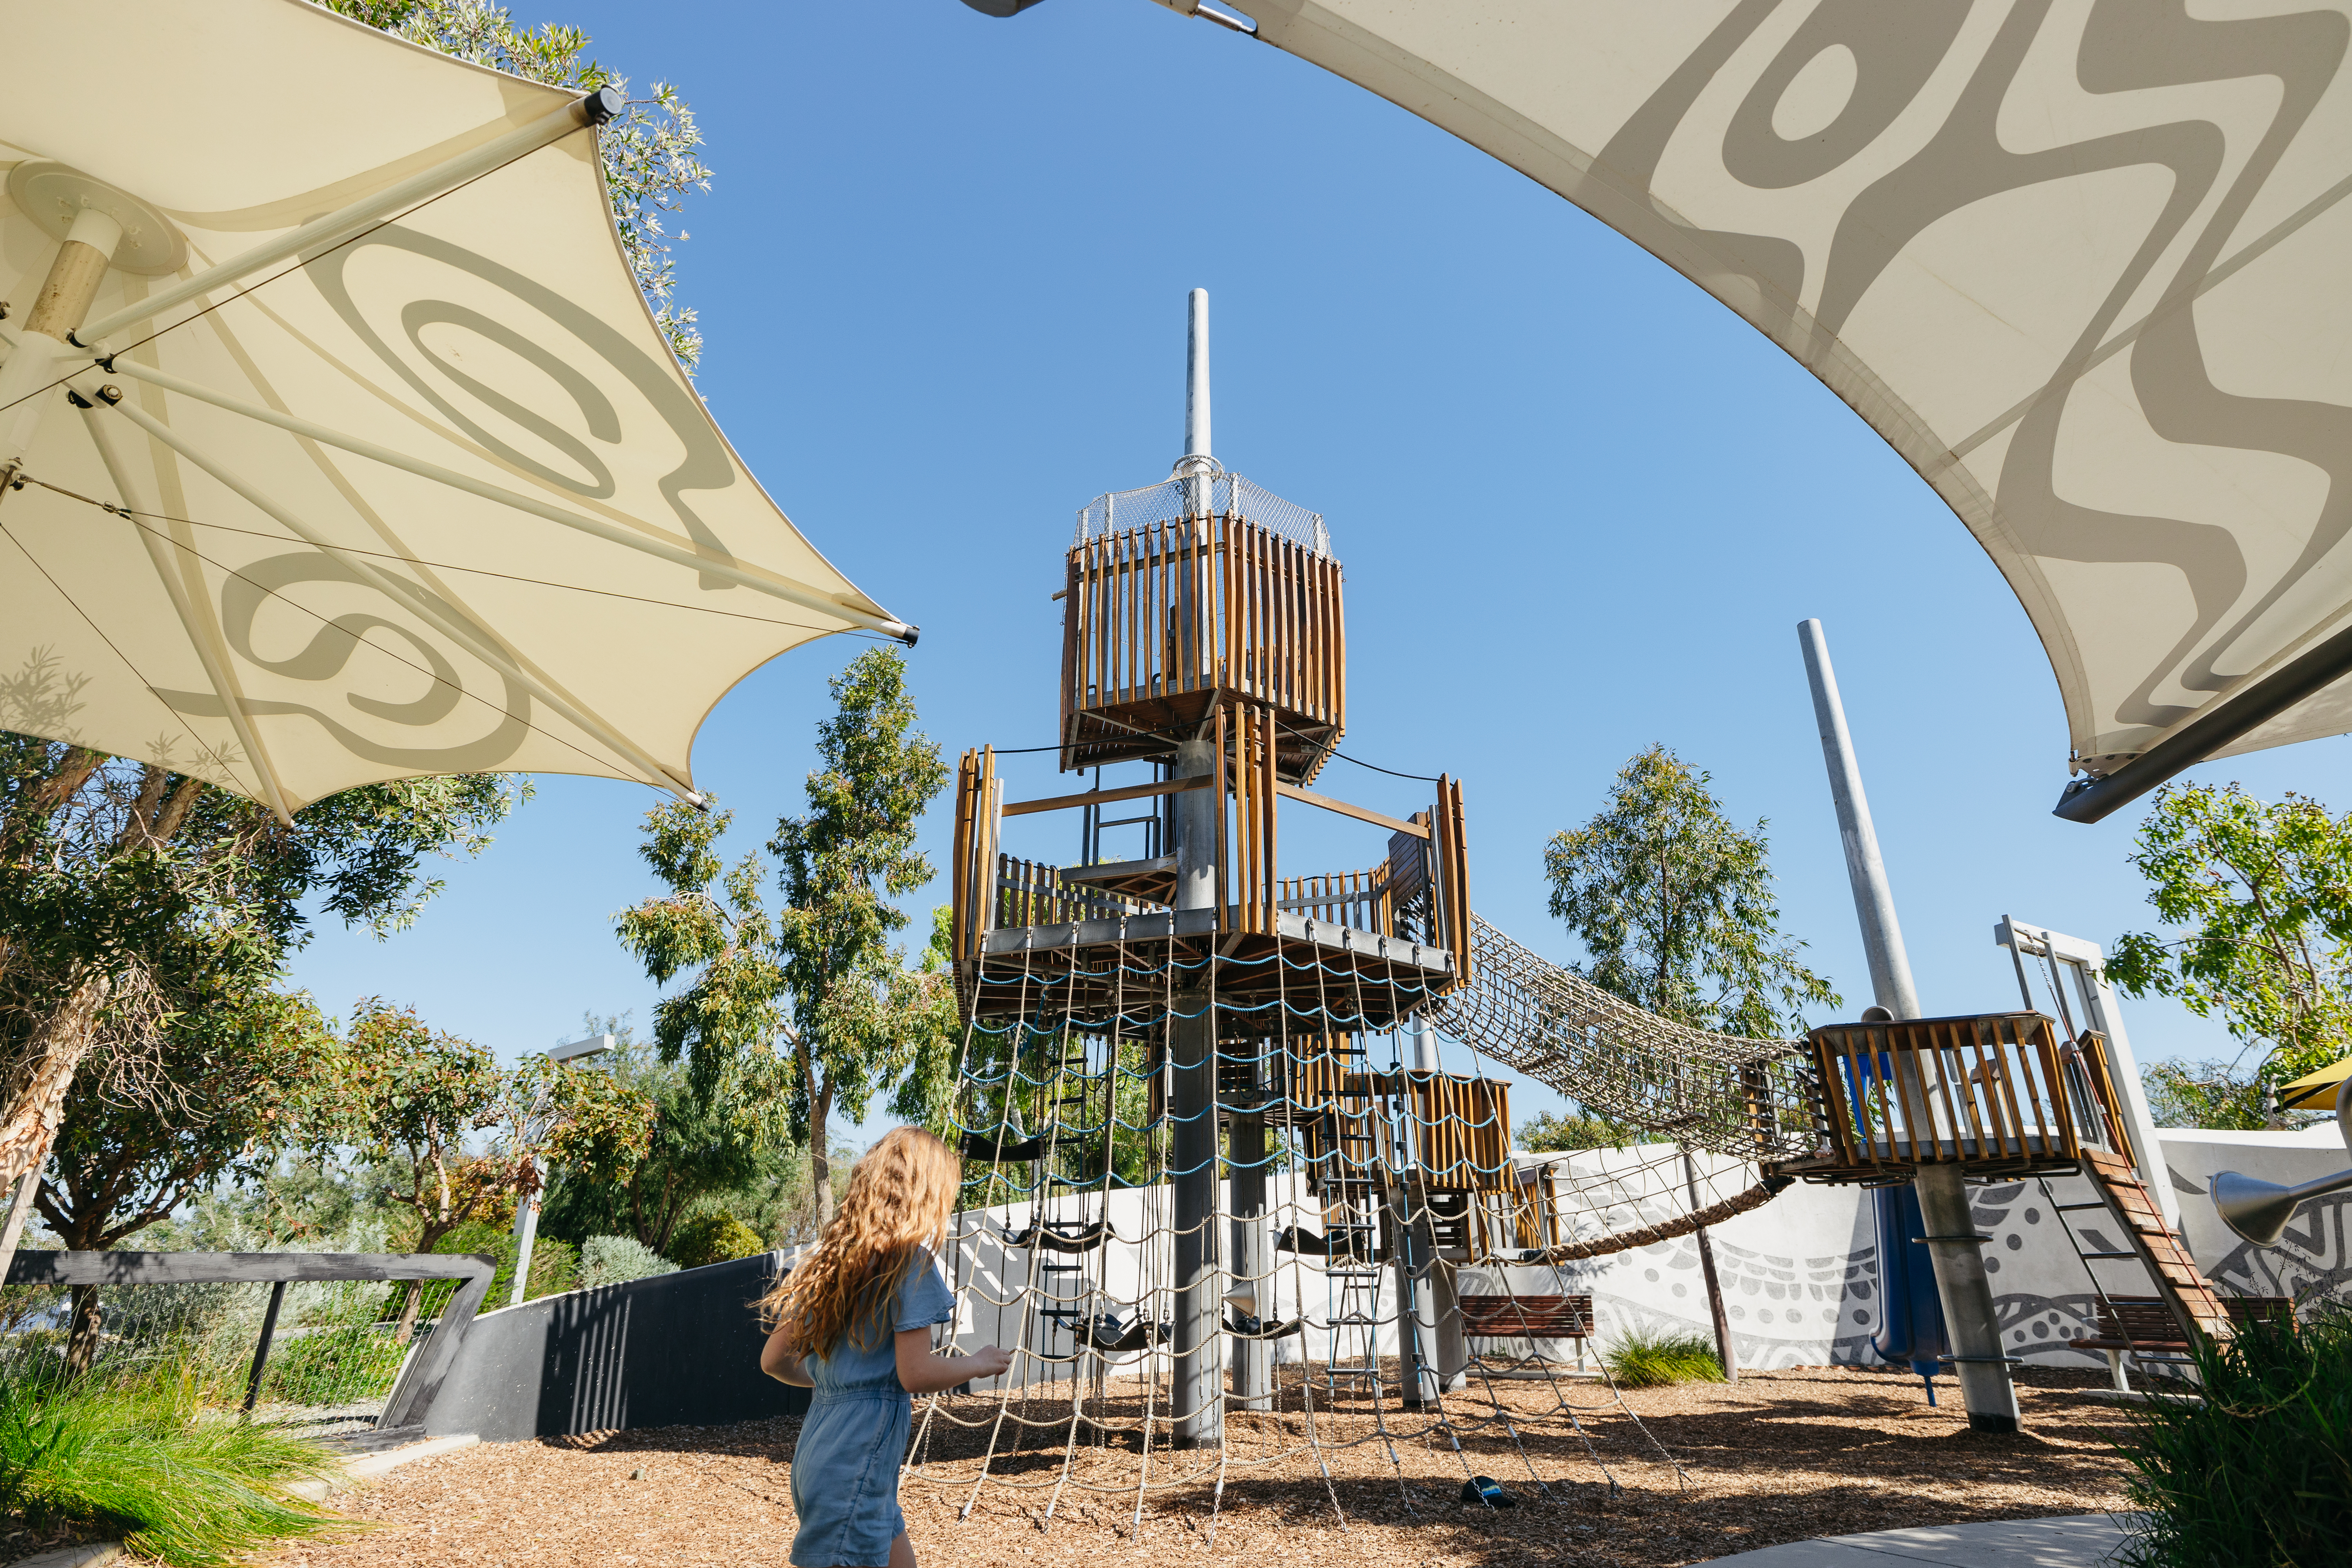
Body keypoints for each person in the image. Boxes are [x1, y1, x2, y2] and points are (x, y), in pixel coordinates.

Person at [759, 1127, 1011, 1568]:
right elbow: (914, 1372)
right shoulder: (909, 1261)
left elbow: (773, 1360)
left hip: (821, 1452)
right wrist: (976, 1363)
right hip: (859, 1459)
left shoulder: (830, 1259)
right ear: (928, 1193)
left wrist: (833, 1380)